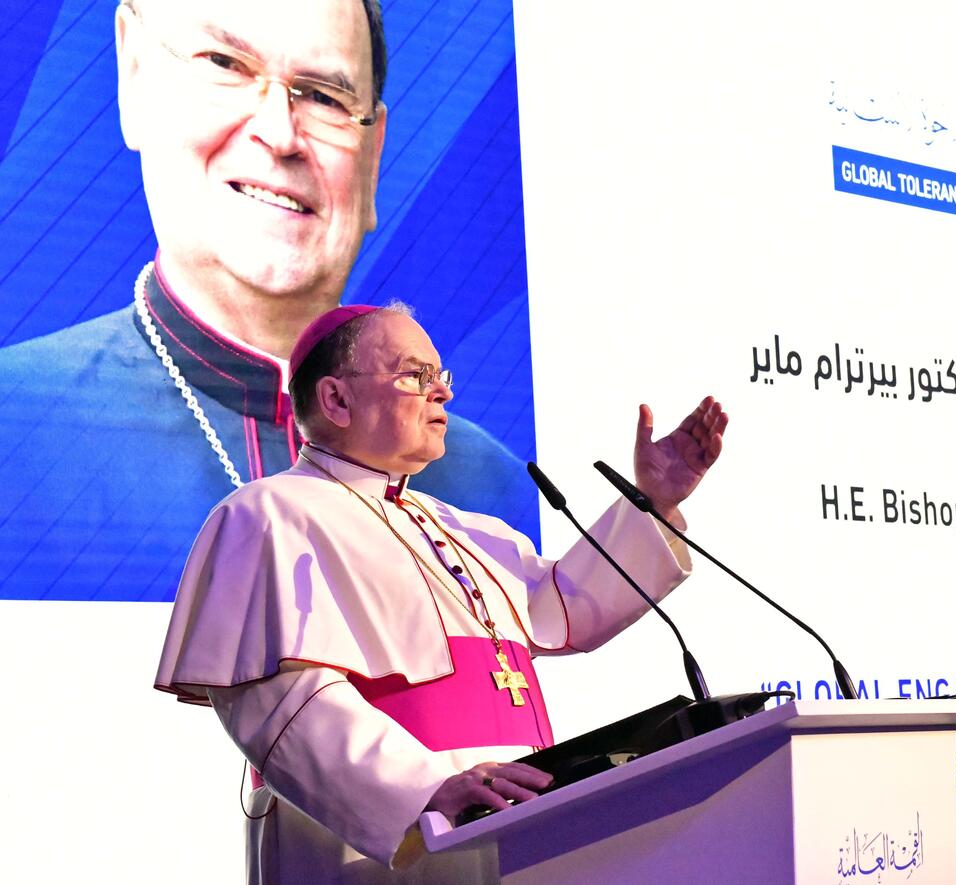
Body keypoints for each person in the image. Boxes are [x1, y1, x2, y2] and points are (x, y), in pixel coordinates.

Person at [155, 303, 727, 882]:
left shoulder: (466, 529)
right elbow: (283, 705)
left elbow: (567, 607)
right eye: (414, 377)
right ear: (335, 400)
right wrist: (422, 789)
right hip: (378, 849)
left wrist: (651, 503)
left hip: (519, 829)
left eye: (441, 377)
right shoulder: (268, 516)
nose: (443, 395)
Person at [0, 0, 535, 602]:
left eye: (326, 98)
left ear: (373, 156)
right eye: (224, 63)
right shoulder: (11, 432)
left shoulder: (494, 486)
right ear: (134, 74)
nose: (280, 134)